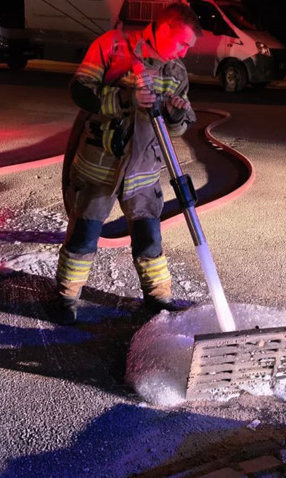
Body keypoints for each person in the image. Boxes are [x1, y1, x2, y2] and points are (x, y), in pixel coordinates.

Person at [50, 3, 202, 325]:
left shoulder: (175, 72)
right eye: (181, 43)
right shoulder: (111, 47)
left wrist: (176, 114)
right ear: (164, 28)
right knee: (83, 237)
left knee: (149, 240)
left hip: (144, 172)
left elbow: (177, 127)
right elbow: (81, 91)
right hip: (99, 168)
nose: (183, 53)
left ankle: (158, 299)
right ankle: (66, 299)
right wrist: (124, 99)